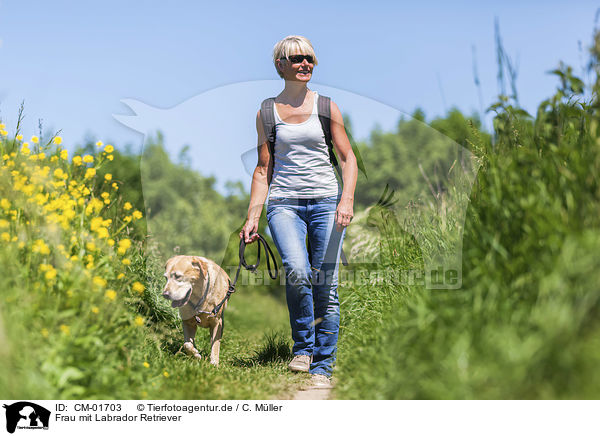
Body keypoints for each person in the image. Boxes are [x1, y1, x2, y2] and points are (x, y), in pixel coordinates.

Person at [240, 35, 358, 387]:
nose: (305, 63)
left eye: (309, 58)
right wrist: (252, 217)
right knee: (296, 269)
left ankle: (323, 366)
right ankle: (303, 349)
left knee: (326, 285)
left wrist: (346, 199)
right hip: (283, 203)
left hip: (325, 201)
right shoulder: (266, 111)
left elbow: (348, 159)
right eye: (296, 59)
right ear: (280, 65)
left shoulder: (326, 107)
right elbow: (263, 169)